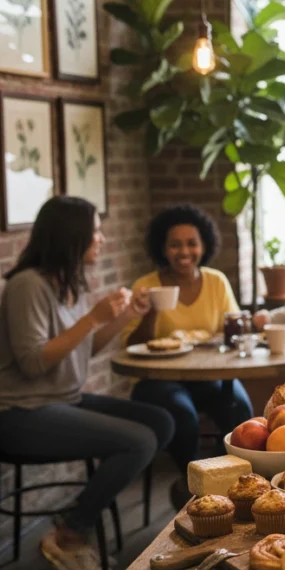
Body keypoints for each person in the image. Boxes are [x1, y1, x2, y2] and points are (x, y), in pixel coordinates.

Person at [0, 197, 174, 570]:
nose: (101, 239)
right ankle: (72, 531)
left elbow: (86, 346)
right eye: (95, 232)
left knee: (161, 421)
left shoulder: (67, 281)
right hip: (20, 414)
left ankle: (77, 518)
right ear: (71, 236)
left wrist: (122, 317)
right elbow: (34, 362)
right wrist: (93, 317)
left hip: (60, 401)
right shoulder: (27, 286)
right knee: (138, 441)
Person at [123, 204, 252, 507]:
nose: (185, 251)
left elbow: (235, 330)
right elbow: (131, 344)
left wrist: (241, 327)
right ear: (162, 248)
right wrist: (151, 311)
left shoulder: (216, 281)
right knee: (183, 415)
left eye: (192, 243)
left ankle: (239, 483)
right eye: (175, 244)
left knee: (241, 411)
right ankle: (194, 489)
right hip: (158, 380)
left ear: (204, 245)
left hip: (209, 375)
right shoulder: (146, 285)